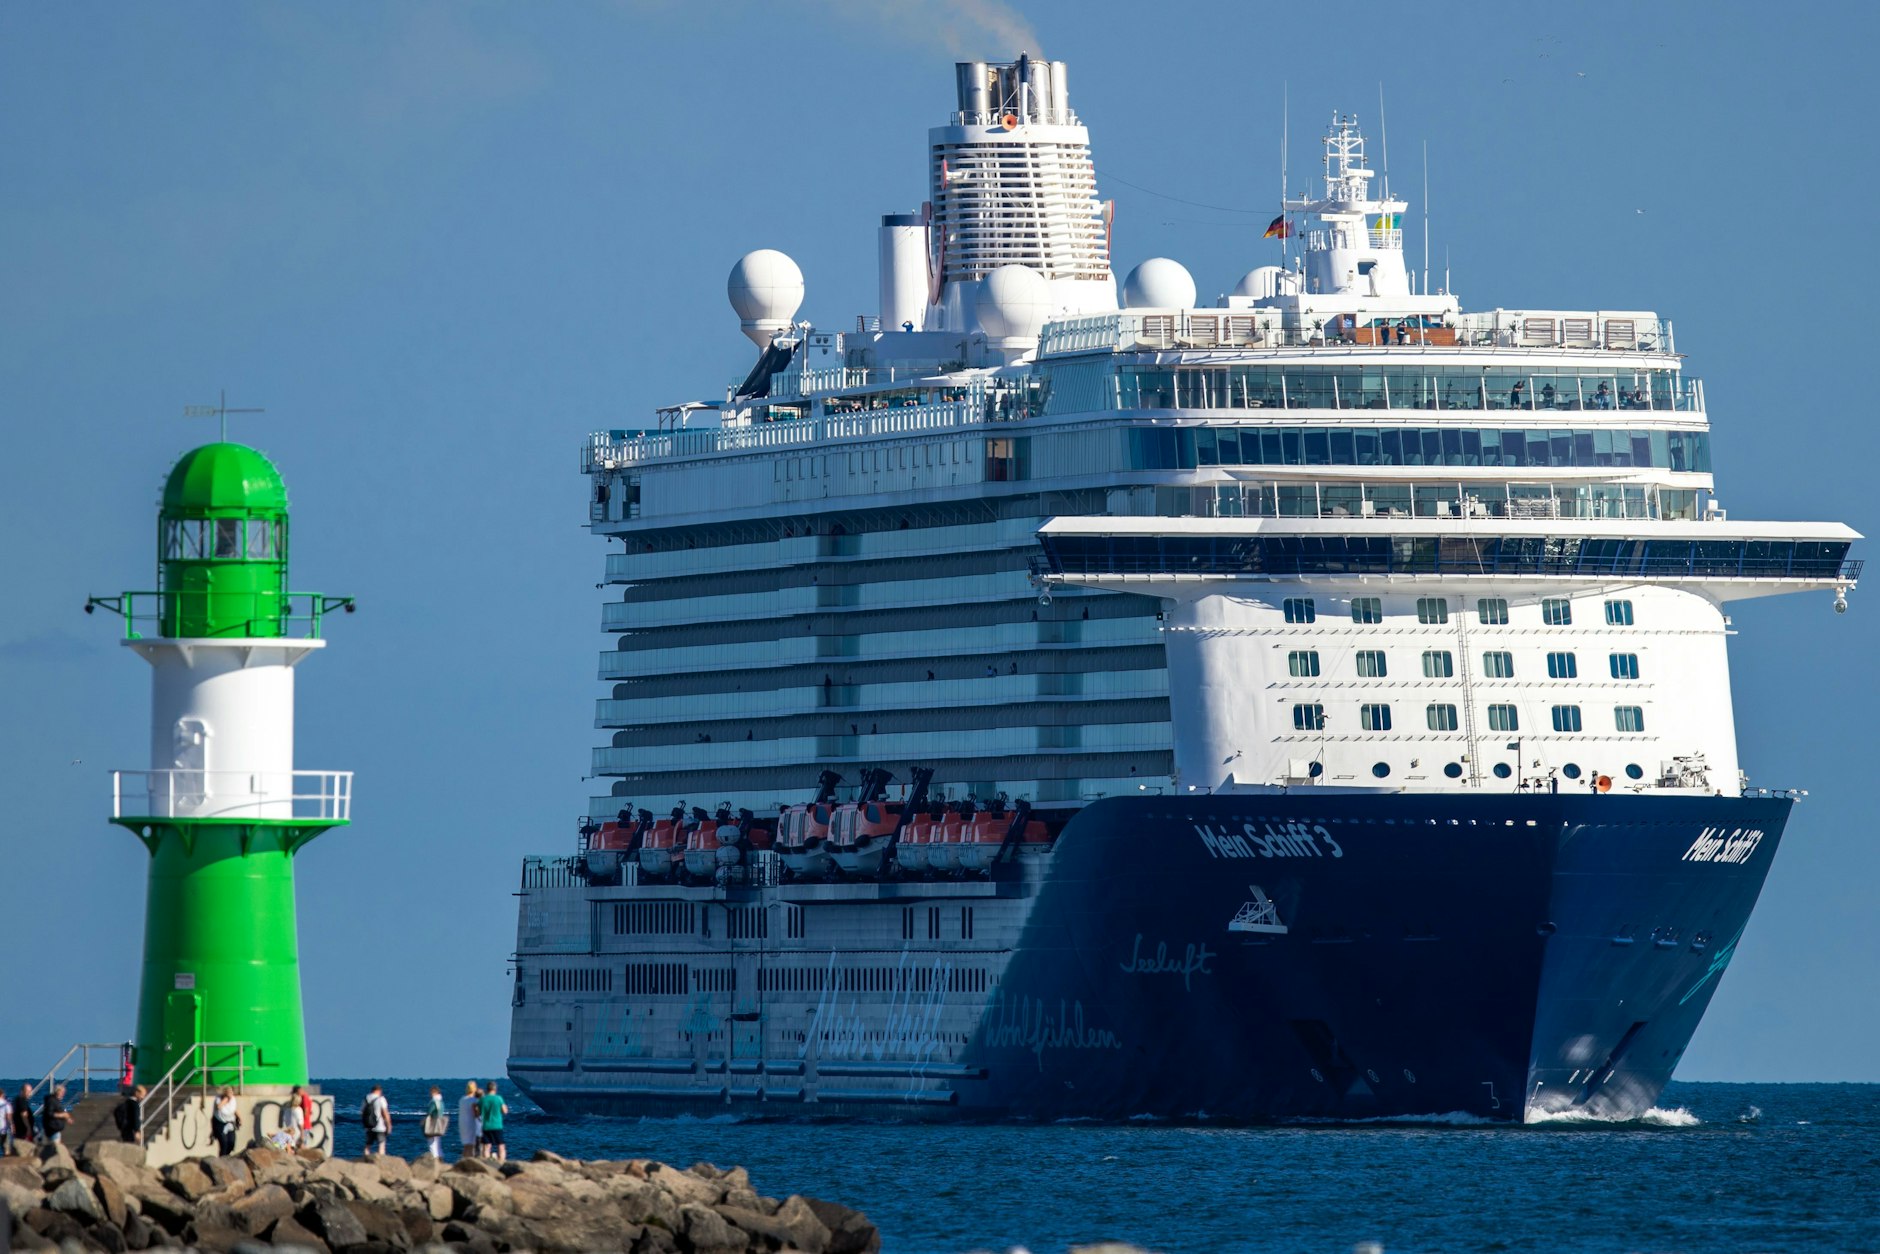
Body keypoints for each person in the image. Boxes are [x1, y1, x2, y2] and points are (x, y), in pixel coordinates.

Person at [476, 1081, 508, 1162]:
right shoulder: (498, 1098)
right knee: (500, 1146)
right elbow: (505, 1111)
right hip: (497, 1125)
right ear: (495, 1089)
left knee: (486, 1146)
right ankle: (501, 1162)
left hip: (486, 1125)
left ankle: (487, 1164)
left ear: (487, 1089)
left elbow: (477, 1113)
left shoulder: (482, 1100)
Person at [362, 1084, 390, 1157]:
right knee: (381, 1144)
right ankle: (380, 1161)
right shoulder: (381, 1099)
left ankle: (365, 1159)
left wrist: (365, 1124)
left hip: (369, 1126)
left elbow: (362, 1112)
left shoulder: (365, 1098)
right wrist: (389, 1125)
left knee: (368, 1145)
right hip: (379, 1126)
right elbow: (385, 1113)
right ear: (379, 1091)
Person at [211, 1087, 240, 1155]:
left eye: (231, 1092)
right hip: (220, 1123)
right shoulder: (219, 1099)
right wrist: (226, 1099)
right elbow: (219, 1106)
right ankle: (222, 1158)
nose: (230, 1094)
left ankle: (227, 1155)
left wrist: (239, 1118)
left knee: (231, 1142)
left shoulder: (233, 1099)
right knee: (224, 1143)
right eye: (228, 1092)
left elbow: (234, 1109)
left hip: (230, 1123)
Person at [421, 1086, 448, 1160]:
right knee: (438, 1143)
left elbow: (429, 1112)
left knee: (431, 1143)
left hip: (432, 1124)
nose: (430, 1094)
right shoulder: (441, 1102)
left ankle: (434, 1158)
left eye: (431, 1092)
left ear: (434, 1092)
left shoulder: (434, 1101)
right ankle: (440, 1158)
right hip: (439, 1125)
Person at [457, 1081, 481, 1161]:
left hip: (462, 1124)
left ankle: (463, 1161)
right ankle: (470, 1162)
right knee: (471, 1146)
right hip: (471, 1124)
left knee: (466, 1145)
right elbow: (476, 1113)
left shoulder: (462, 1099)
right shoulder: (474, 1100)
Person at [9, 1086, 32, 1151]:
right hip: (22, 1129)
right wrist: (28, 1127)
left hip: (17, 1128)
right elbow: (23, 1114)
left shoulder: (16, 1100)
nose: (30, 1093)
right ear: (23, 1091)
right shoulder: (22, 1100)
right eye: (28, 1091)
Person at [0, 1088, 12, 1157]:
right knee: (6, 1150)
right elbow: (8, 1117)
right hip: (4, 1129)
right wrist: (12, 1126)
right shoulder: (6, 1104)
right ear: (2, 1094)